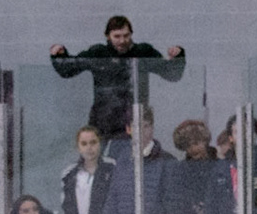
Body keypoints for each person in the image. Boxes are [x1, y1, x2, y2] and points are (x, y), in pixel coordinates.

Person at [49, 15, 185, 141]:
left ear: (131, 34)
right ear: (108, 36)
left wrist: (178, 55)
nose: (122, 41)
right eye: (117, 36)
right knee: (100, 156)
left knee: (136, 156)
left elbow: (172, 74)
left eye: (126, 35)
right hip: (104, 121)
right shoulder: (98, 53)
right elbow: (68, 70)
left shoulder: (143, 52)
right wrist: (59, 54)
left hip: (135, 121)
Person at [97, 107, 179, 214]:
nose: (141, 132)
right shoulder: (122, 160)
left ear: (152, 128)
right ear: (128, 129)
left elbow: (172, 205)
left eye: (145, 126)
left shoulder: (167, 161)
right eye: (136, 127)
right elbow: (113, 197)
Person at [163, 118, 234, 214]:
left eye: (196, 142)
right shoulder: (180, 170)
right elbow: (174, 204)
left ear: (205, 140)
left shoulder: (222, 167)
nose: (193, 148)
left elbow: (228, 202)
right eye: (187, 145)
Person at [58, 124, 116, 214]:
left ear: (100, 144)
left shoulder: (112, 168)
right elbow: (66, 206)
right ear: (78, 147)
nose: (89, 148)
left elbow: (116, 202)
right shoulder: (69, 174)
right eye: (84, 144)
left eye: (93, 142)